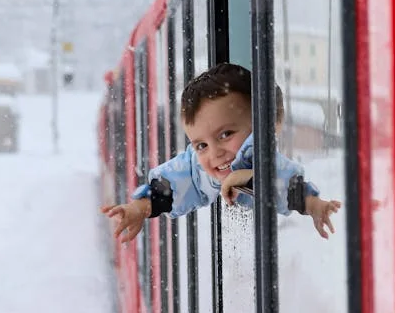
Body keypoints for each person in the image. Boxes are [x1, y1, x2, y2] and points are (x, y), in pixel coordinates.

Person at [101, 63, 341, 241]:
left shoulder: (264, 159)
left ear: (262, 126)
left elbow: (288, 187)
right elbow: (170, 186)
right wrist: (138, 209)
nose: (214, 152)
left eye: (226, 134)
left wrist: (315, 206)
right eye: (201, 145)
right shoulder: (199, 169)